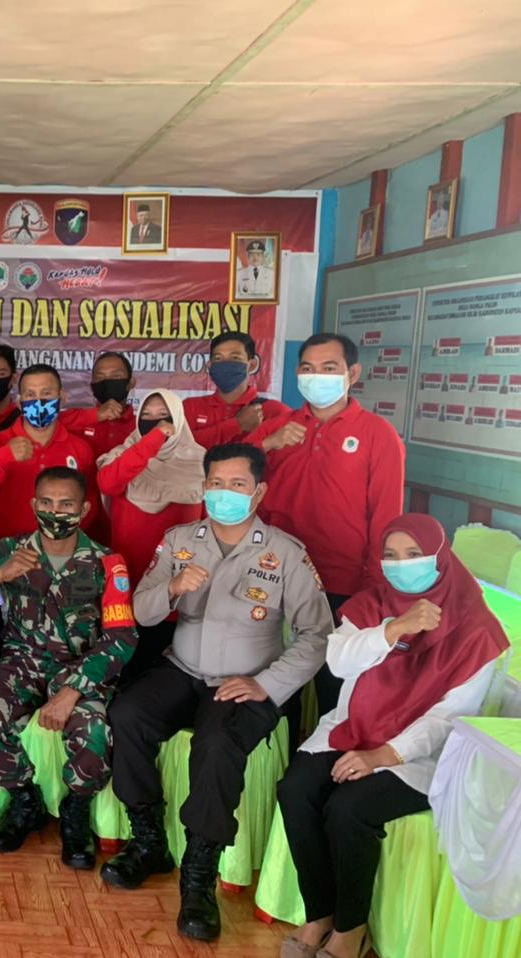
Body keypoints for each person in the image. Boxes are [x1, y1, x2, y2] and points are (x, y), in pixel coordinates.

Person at [103, 443, 332, 943]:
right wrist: (172, 588)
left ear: (259, 491)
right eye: (215, 484)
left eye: (237, 484)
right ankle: (148, 839)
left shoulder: (285, 552)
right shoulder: (180, 540)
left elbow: (317, 635)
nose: (224, 493)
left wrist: (266, 684)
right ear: (203, 487)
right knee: (126, 714)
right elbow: (140, 612)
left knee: (216, 744)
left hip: (245, 678)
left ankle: (199, 872)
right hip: (183, 668)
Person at [278, 514, 506, 958]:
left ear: (439, 556)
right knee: (296, 789)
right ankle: (319, 913)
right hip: (355, 727)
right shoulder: (372, 603)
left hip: (421, 752)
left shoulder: (476, 627)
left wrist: (385, 754)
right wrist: (394, 628)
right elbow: (340, 662)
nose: (401, 564)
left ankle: (351, 930)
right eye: (391, 555)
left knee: (348, 809)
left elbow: (450, 717)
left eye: (413, 554)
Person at [0, 467, 137, 870]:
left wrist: (72, 691)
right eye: (48, 503)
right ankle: (25, 801)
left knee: (94, 731)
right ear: (34, 505)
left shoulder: (107, 562)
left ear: (84, 510)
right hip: (21, 663)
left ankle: (76, 809)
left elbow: (122, 638)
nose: (56, 512)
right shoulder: (7, 550)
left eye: (66, 504)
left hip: (81, 669)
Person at [248, 333, 404, 713]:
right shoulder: (277, 428)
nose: (316, 376)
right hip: (274, 575)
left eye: (328, 368)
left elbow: (386, 519)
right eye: (308, 368)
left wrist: (373, 589)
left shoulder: (377, 434)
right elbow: (230, 474)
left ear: (353, 374)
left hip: (341, 583)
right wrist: (267, 446)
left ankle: (324, 749)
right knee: (271, 685)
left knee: (333, 688)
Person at [96, 389, 205, 679]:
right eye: (146, 416)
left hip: (176, 591)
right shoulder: (122, 456)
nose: (156, 423)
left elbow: (208, 529)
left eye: (164, 416)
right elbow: (108, 484)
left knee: (163, 674)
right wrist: (153, 441)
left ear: (178, 419)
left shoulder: (200, 463)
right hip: (125, 583)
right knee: (122, 671)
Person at [0, 363, 98, 544]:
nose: (39, 401)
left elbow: (90, 505)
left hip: (59, 551)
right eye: (30, 395)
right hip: (6, 550)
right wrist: (2, 458)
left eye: (46, 393)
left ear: (62, 398)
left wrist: (62, 543)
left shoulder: (80, 448)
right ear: (19, 402)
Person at [182, 332, 289, 449]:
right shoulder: (190, 407)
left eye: (235, 358)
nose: (225, 363)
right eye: (218, 358)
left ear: (252, 365)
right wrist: (237, 424)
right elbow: (181, 447)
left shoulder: (276, 411)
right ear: (209, 365)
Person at [60, 351, 138, 460]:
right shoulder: (79, 420)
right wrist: (95, 415)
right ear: (92, 386)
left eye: (116, 376)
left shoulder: (140, 425)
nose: (107, 381)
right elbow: (50, 424)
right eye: (100, 377)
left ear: (131, 383)